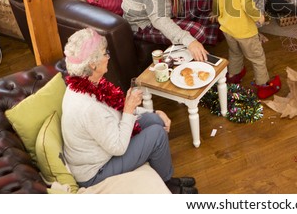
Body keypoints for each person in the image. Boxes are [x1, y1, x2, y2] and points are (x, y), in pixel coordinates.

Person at [61, 28, 196, 194]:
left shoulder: (89, 84)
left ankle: (164, 178)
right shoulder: (87, 108)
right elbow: (118, 147)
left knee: (155, 121)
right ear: (92, 64)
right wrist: (129, 109)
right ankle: (167, 184)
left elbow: (113, 114)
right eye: (105, 53)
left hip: (106, 145)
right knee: (157, 134)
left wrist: (152, 113)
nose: (108, 57)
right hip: (96, 171)